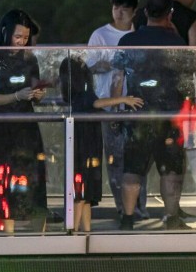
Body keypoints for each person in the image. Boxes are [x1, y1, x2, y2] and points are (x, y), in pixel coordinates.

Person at [112, 0, 194, 230]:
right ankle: (171, 217)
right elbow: (187, 82)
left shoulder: (128, 41)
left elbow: (118, 78)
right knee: (170, 170)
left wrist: (117, 109)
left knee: (133, 168)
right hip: (170, 116)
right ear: (170, 14)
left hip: (137, 114)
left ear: (145, 13)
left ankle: (127, 218)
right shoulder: (177, 44)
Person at [0, 9, 49, 229]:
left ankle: (36, 228)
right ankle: (3, 227)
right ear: (5, 33)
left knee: (31, 174)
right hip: (1, 126)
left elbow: (37, 87)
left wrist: (38, 93)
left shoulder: (30, 59)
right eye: (17, 37)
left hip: (26, 125)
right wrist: (15, 96)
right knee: (2, 177)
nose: (21, 42)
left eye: (25, 38)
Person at [60, 56, 144, 232]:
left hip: (83, 141)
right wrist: (123, 99)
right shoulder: (84, 93)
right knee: (82, 190)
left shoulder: (72, 93)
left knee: (85, 191)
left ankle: (85, 230)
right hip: (86, 142)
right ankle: (73, 229)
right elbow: (96, 102)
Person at [87, 0, 148, 220]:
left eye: (124, 8)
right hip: (109, 105)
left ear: (134, 12)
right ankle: (123, 209)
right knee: (114, 160)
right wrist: (114, 62)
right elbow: (90, 66)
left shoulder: (138, 35)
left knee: (136, 160)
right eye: (116, 7)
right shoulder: (100, 35)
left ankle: (139, 207)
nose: (119, 13)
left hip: (135, 104)